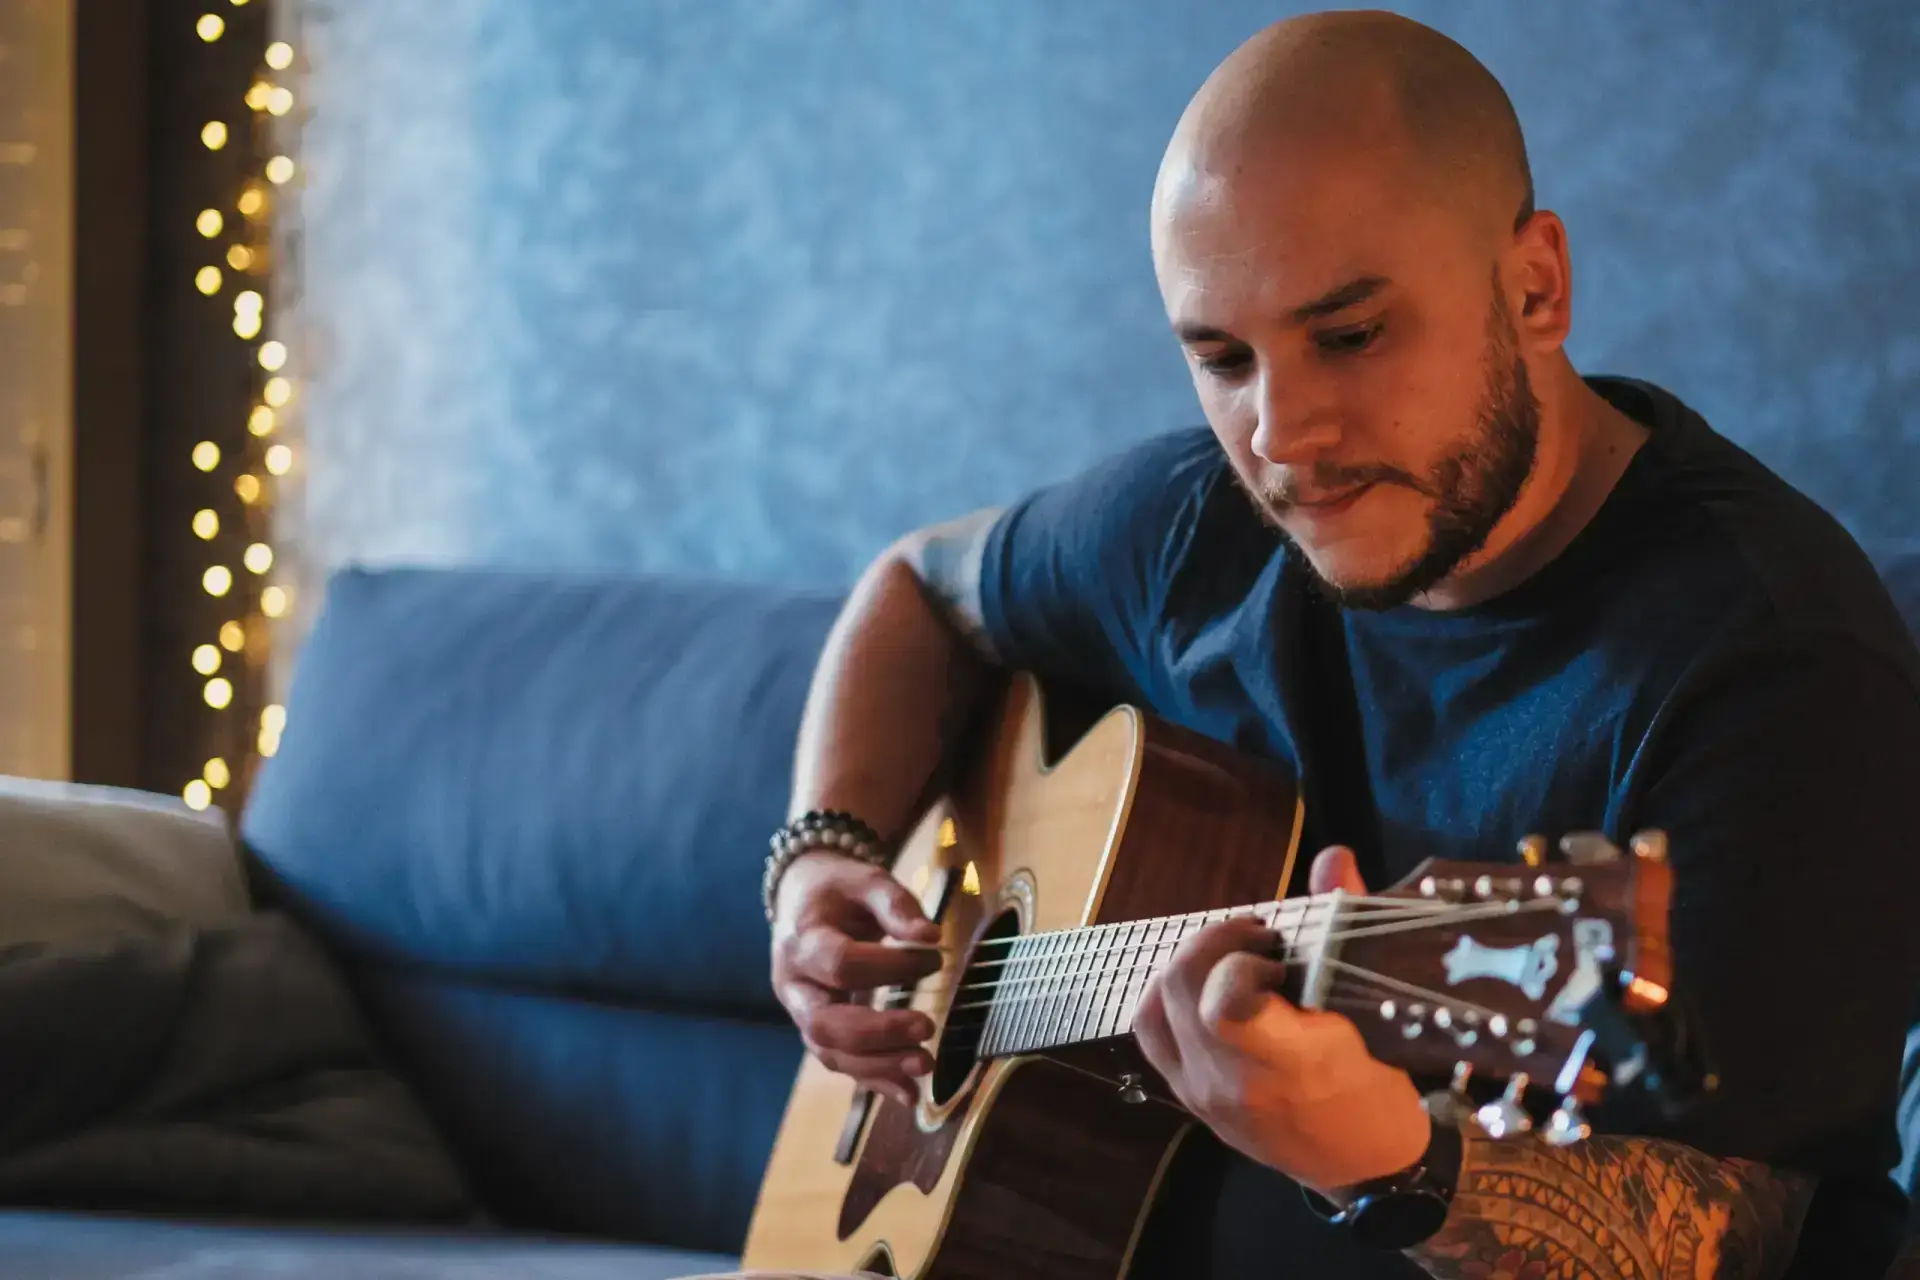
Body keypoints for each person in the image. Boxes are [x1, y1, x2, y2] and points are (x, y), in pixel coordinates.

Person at [761, 10, 1920, 1278]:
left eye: (1351, 334)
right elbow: (916, 589)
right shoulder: (1197, 524)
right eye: (1221, 357)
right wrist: (819, 859)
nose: (1281, 434)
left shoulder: (1773, 661)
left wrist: (1393, 1160)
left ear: (1536, 284)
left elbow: (1743, 1238)